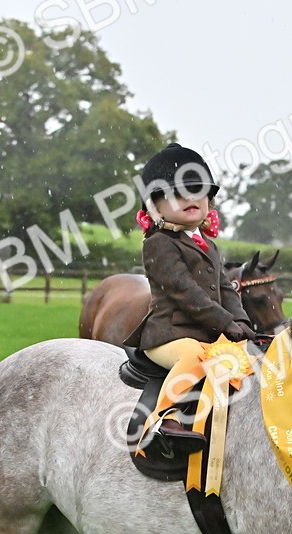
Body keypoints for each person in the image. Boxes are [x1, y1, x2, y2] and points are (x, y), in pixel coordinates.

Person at [124, 143, 255, 452]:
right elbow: (185, 292)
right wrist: (224, 322)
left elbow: (226, 289)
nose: (190, 199)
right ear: (155, 206)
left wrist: (240, 321)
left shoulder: (209, 247)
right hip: (168, 335)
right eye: (177, 194)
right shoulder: (158, 244)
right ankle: (163, 419)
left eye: (197, 192)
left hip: (209, 334)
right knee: (195, 356)